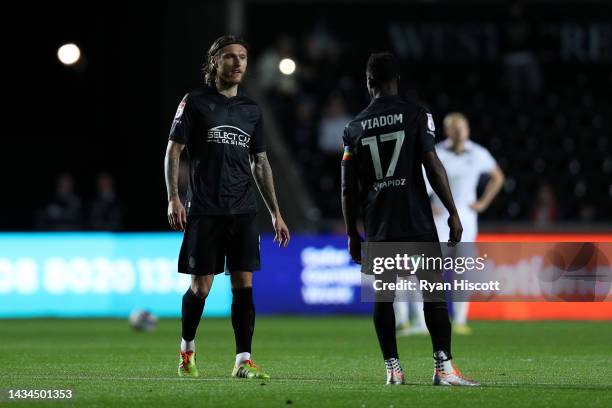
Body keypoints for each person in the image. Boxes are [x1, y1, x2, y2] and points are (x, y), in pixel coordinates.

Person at [341, 52, 479, 386]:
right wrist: (454, 213)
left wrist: (352, 234)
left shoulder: (353, 127)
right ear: (396, 79)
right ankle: (443, 368)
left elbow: (348, 187)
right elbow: (432, 165)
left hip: (379, 224)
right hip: (416, 220)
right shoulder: (417, 115)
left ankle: (393, 370)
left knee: (384, 298)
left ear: (369, 82)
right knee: (433, 295)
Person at [164, 35, 290, 380]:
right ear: (214, 62)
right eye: (230, 57)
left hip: (243, 210)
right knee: (200, 288)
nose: (237, 63)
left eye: (243, 58)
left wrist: (276, 212)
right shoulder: (194, 102)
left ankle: (243, 360)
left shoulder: (251, 110)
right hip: (205, 209)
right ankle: (187, 349)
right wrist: (174, 197)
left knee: (243, 285)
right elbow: (174, 151)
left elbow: (260, 162)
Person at [427, 113, 505, 335]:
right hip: (441, 218)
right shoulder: (438, 152)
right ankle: (433, 317)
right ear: (447, 130)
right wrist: (427, 203)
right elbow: (424, 180)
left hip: (467, 219)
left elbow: (498, 177)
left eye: (463, 127)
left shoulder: (478, 153)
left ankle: (460, 320)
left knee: (463, 270)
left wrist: (483, 203)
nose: (460, 131)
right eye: (455, 128)